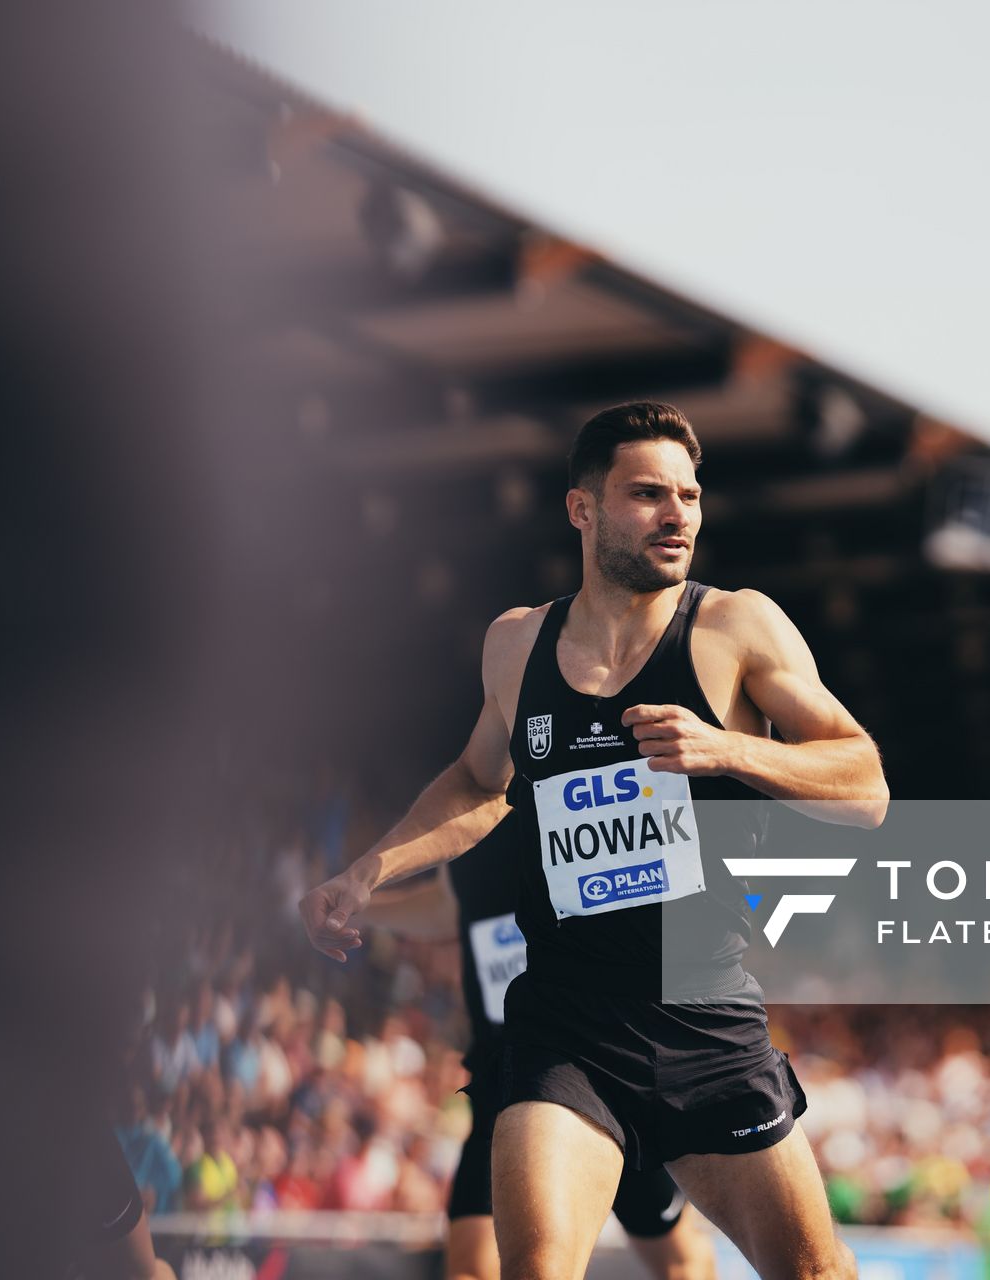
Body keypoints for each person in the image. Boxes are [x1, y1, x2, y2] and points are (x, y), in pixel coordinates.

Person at [301, 401, 888, 1280]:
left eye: (689, 495)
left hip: (703, 1019)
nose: (678, 514)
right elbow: (475, 781)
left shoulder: (733, 627)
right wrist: (369, 868)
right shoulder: (516, 644)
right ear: (583, 509)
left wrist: (728, 747)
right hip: (562, 1024)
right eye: (649, 493)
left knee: (814, 1273)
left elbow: (866, 783)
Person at [358, 808, 718, 1280]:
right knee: (471, 1269)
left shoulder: (582, 801)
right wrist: (361, 908)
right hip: (504, 1081)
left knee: (680, 1261)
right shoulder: (468, 821)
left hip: (601, 1072)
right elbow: (452, 904)